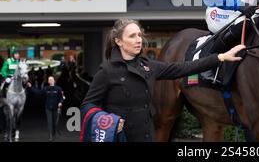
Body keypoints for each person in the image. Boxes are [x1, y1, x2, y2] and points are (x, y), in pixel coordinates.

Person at [80, 18, 244, 142]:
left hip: (146, 136)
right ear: (119, 41)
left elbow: (184, 68)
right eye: (132, 36)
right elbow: (88, 105)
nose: (138, 40)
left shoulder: (149, 66)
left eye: (139, 35)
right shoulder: (107, 71)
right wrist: (107, 120)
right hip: (119, 136)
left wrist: (221, 57)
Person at [26, 76, 64, 141]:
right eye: (49, 80)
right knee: (49, 122)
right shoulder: (46, 88)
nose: (51, 81)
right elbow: (37, 93)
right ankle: (50, 136)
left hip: (56, 108)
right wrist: (30, 87)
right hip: (48, 108)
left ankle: (54, 134)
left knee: (54, 123)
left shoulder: (58, 89)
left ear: (54, 81)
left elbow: (62, 97)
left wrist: (60, 102)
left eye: (52, 80)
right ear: (48, 81)